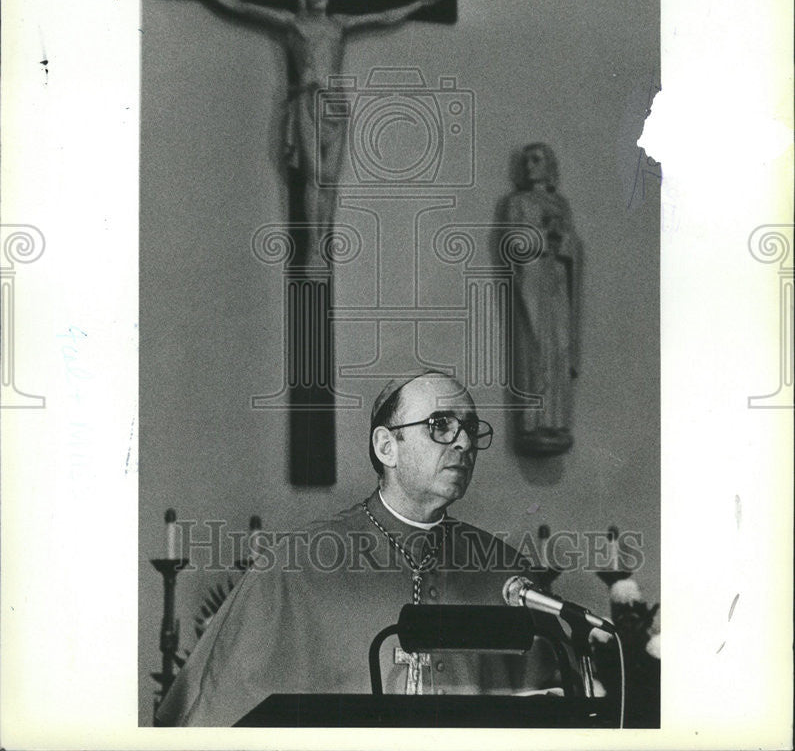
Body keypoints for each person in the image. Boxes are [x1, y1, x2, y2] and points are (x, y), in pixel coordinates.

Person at [156, 372, 556, 726]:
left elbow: (553, 714)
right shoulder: (293, 567)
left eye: (470, 428)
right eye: (441, 425)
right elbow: (218, 721)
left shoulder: (504, 571)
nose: (465, 443)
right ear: (386, 447)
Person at [170, 0, 447, 259]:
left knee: (330, 177)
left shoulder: (339, 23)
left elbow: (383, 16)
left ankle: (326, 239)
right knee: (314, 176)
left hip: (337, 104)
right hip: (309, 102)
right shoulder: (294, 24)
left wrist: (420, 2)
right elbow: (242, 5)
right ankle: (314, 248)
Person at [502, 144, 582, 454]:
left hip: (556, 283)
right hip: (532, 283)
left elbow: (573, 247)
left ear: (549, 166)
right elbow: (514, 243)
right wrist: (540, 234)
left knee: (559, 349)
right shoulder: (517, 203)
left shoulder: (560, 204)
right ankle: (532, 422)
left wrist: (561, 239)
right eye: (525, 161)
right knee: (534, 349)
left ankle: (556, 420)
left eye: (536, 160)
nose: (529, 166)